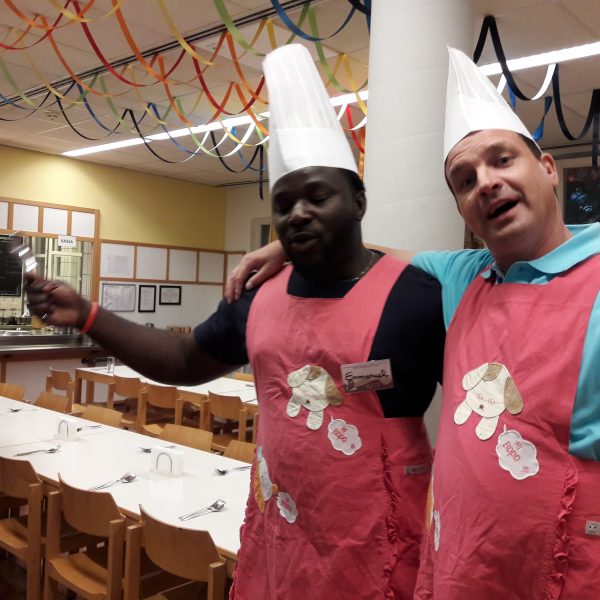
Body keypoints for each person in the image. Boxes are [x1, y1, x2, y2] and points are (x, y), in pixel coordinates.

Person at [26, 44, 445, 599]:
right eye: (284, 203)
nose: (298, 213)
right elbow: (183, 361)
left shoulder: (418, 296)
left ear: (359, 201)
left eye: (318, 196)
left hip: (381, 552)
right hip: (278, 541)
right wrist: (88, 315)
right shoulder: (257, 296)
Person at [227, 48, 600, 599]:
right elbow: (369, 253)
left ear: (547, 169)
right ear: (462, 210)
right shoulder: (462, 276)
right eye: (465, 180)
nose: (485, 183)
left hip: (566, 570)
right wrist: (292, 241)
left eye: (502, 160)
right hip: (462, 565)